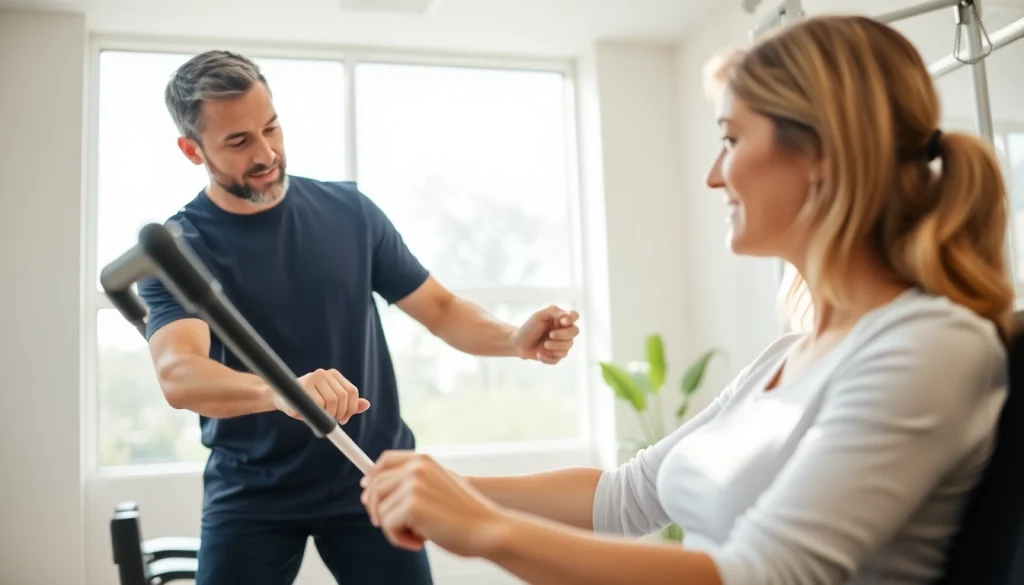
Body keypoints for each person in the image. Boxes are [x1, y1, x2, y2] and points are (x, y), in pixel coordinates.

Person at [358, 14, 1015, 585]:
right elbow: (623, 496)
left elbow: (767, 575)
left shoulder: (930, 344)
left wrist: (485, 528)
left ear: (819, 153)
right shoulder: (788, 354)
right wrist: (441, 486)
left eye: (731, 139)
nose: (712, 174)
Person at [138, 49, 581, 585]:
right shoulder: (177, 248)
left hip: (373, 474)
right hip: (253, 491)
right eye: (238, 142)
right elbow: (179, 373)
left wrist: (514, 339)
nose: (267, 153)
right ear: (191, 150)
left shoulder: (350, 214)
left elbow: (441, 310)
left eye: (271, 129)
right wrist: (281, 391)